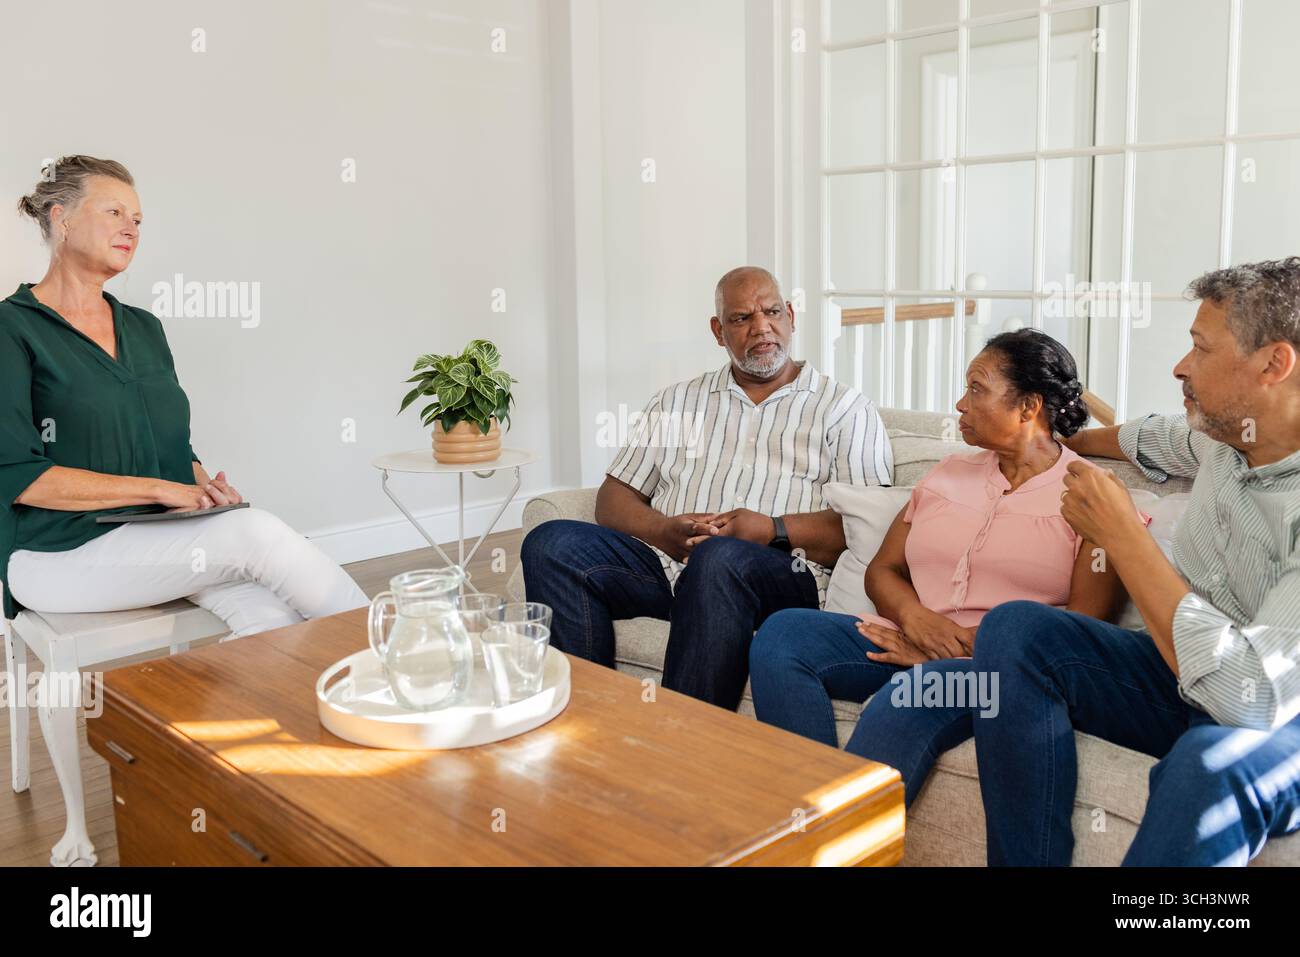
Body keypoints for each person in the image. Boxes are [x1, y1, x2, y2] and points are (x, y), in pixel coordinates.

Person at [852, 258, 1300, 866]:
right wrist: (1057, 443)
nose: (1180, 365)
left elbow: (1246, 696)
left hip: (1273, 709)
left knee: (1207, 767)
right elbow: (1138, 436)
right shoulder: (1220, 438)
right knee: (1018, 626)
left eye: (1200, 347)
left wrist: (1123, 534)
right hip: (1176, 674)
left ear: (1274, 364)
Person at [0, 155, 368, 637]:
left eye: (137, 220)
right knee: (253, 533)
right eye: (114, 213)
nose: (130, 228)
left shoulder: (144, 328)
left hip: (157, 536)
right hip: (56, 553)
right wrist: (160, 489)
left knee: (271, 616)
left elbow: (172, 447)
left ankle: (269, 711)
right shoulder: (12, 328)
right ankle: (401, 653)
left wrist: (203, 489)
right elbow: (18, 476)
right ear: (60, 217)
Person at [750, 329, 1145, 750]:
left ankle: (844, 813)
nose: (960, 404)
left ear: (1029, 406)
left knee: (912, 696)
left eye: (977, 389)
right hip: (904, 634)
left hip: (1001, 673)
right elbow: (884, 568)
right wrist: (916, 619)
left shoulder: (1092, 493)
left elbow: (1082, 627)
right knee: (783, 635)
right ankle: (811, 805)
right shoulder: (948, 473)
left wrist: (949, 649)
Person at [521, 266, 892, 708]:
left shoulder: (845, 409)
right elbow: (614, 497)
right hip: (669, 564)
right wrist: (663, 533)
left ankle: (685, 747)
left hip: (785, 575)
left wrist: (771, 529)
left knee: (720, 559)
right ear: (718, 331)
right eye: (741, 319)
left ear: (791, 315)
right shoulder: (676, 401)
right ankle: (587, 723)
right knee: (551, 542)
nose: (761, 327)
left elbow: (868, 531)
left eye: (772, 311)